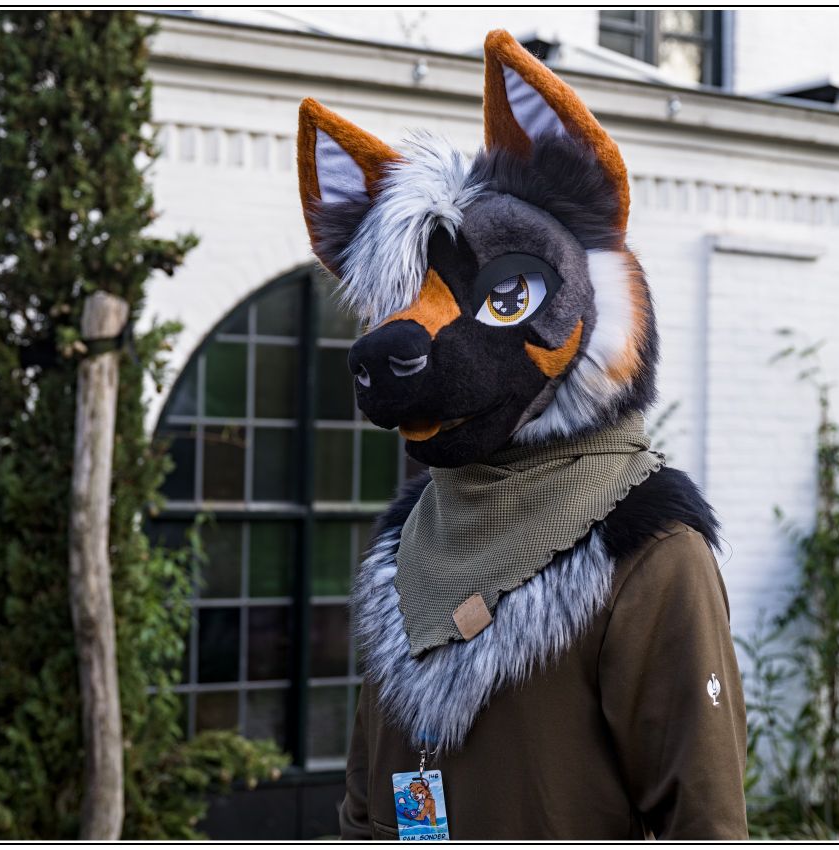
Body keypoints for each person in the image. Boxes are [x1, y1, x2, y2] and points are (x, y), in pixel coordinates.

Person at [295, 29, 748, 840]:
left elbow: (703, 819)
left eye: (506, 293)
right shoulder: (408, 550)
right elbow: (367, 803)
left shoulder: (649, 553)